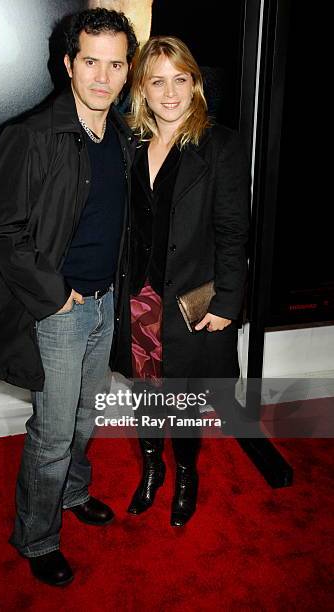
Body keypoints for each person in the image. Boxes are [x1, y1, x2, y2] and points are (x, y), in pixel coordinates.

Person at [0, 8, 138, 586]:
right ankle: (37, 537)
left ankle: (73, 495)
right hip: (59, 313)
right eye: (90, 61)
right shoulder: (31, 136)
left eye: (115, 63)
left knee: (84, 418)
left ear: (127, 71)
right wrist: (58, 296)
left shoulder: (120, 135)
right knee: (52, 432)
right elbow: (1, 228)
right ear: (68, 64)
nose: (102, 76)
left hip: (104, 303)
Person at [112, 36, 250, 527]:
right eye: (157, 81)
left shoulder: (222, 145)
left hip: (192, 300)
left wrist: (229, 301)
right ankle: (152, 468)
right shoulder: (127, 142)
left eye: (180, 79)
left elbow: (234, 231)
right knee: (147, 393)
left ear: (195, 85)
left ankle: (186, 472)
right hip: (137, 300)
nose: (170, 93)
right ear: (142, 90)